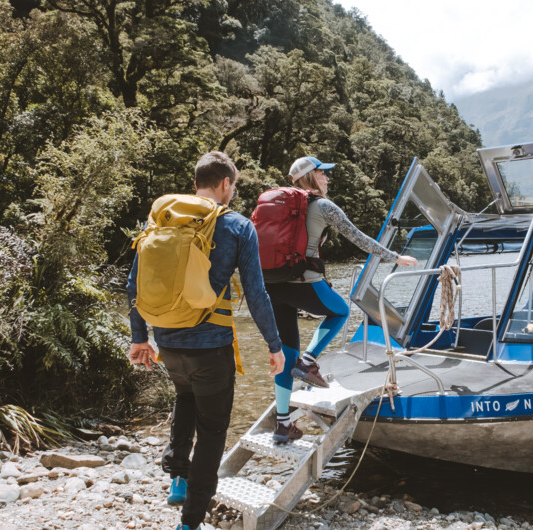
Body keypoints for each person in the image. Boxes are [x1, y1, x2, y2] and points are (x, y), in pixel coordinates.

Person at [126, 151, 285, 530]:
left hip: (168, 345)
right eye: (234, 186)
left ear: (196, 180)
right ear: (226, 183)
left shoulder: (163, 219)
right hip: (212, 350)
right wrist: (274, 345)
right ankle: (190, 521)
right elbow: (257, 294)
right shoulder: (237, 226)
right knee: (212, 434)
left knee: (185, 398)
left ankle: (178, 477)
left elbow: (134, 285)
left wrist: (139, 339)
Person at [268, 156, 417, 444]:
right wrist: (395, 257)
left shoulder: (278, 208)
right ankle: (309, 361)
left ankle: (283, 425)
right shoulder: (323, 206)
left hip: (272, 287)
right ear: (311, 176)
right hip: (303, 281)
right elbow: (358, 238)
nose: (327, 178)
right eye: (323, 173)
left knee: (286, 355)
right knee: (340, 311)